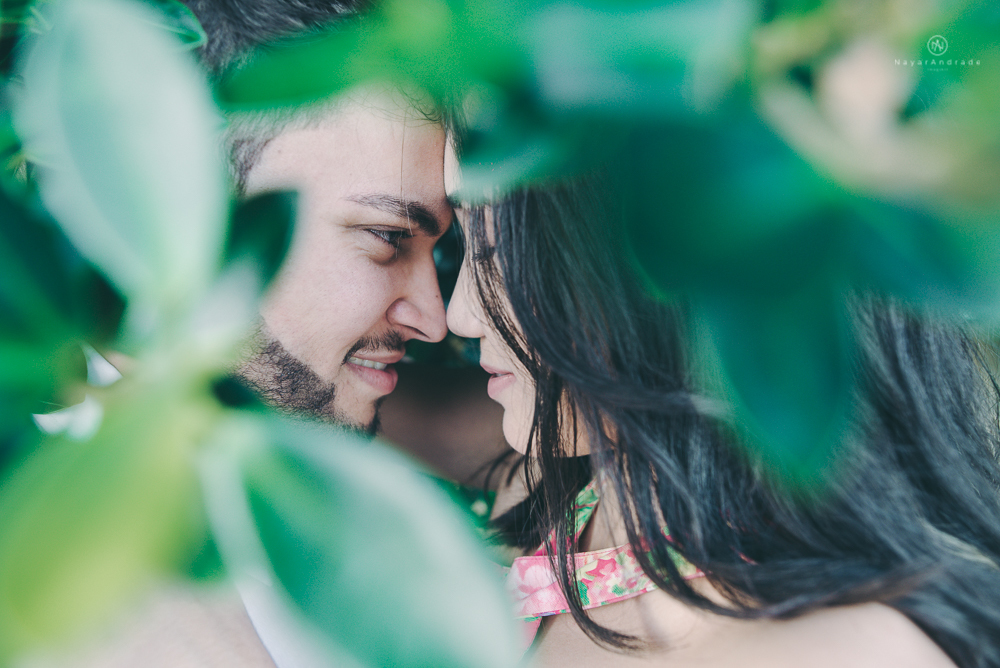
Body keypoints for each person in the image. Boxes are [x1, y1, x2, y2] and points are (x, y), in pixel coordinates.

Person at [445, 169, 1000, 666]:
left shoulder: (852, 653)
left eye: (495, 252)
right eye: (462, 245)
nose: (458, 314)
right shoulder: (549, 493)